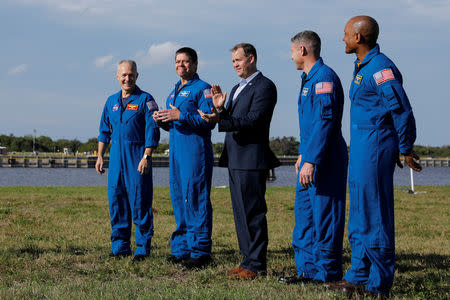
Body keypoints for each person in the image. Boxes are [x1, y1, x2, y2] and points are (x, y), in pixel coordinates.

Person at [326, 16, 422, 297]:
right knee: (359, 213)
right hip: (361, 148)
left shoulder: (381, 69)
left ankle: (379, 283)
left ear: (359, 38)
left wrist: (405, 148)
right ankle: (358, 273)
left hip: (377, 147)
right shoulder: (363, 66)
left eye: (345, 34)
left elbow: (401, 110)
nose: (342, 39)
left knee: (375, 213)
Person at [200, 43, 280, 279]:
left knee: (253, 213)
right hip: (235, 159)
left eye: (239, 60)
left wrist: (222, 120)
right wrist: (219, 110)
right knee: (240, 213)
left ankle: (257, 265)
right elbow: (233, 119)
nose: (235, 64)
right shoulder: (236, 88)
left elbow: (254, 119)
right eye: (233, 61)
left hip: (251, 159)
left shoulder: (265, 86)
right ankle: (247, 261)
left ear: (251, 58)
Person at [278, 31, 348, 285]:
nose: (291, 56)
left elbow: (325, 122)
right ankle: (307, 272)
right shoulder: (308, 79)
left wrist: (312, 160)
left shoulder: (324, 78)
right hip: (309, 156)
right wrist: (302, 154)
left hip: (325, 159)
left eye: (292, 51)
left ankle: (327, 274)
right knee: (305, 217)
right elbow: (309, 124)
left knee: (325, 216)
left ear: (303, 50)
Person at [153, 47, 215, 269]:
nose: (181, 65)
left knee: (196, 199)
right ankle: (182, 249)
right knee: (179, 199)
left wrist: (181, 115)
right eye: (178, 61)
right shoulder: (174, 91)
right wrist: (162, 120)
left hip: (195, 153)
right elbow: (176, 124)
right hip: (177, 154)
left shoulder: (203, 89)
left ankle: (200, 252)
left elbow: (209, 121)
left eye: (186, 62)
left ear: (195, 64)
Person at [96, 60, 160, 262]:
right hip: (115, 159)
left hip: (137, 157)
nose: (127, 78)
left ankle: (142, 249)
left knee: (140, 202)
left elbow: (152, 129)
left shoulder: (145, 99)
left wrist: (146, 156)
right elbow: (104, 131)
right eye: (123, 75)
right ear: (117, 76)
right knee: (117, 202)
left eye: (131, 75)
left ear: (137, 76)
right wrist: (100, 156)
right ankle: (120, 248)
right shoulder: (110, 102)